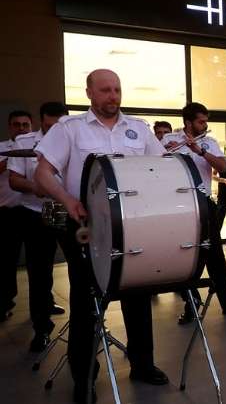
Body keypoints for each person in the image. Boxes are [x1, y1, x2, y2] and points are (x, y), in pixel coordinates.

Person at [34, 69, 170, 402]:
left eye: (117, 90)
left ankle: (142, 364)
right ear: (90, 93)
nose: (113, 96)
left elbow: (163, 167)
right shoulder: (70, 129)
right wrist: (68, 200)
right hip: (86, 225)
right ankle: (84, 377)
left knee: (138, 295)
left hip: (134, 224)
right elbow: (42, 173)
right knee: (86, 301)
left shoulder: (138, 129)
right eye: (106, 90)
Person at [161, 102, 226, 325]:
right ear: (188, 122)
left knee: (215, 256)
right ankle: (191, 304)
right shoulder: (168, 140)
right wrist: (166, 152)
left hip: (203, 203)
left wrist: (199, 151)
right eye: (201, 121)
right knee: (183, 257)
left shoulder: (208, 142)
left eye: (205, 121)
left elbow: (223, 168)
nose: (205, 125)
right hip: (177, 206)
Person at [7, 102, 68, 351]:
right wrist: (37, 187)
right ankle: (41, 328)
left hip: (63, 209)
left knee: (78, 266)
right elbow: (14, 180)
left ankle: (89, 323)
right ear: (41, 121)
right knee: (39, 271)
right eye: (49, 125)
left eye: (58, 126)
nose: (54, 130)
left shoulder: (72, 138)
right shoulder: (25, 142)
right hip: (35, 212)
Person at [0, 110, 32, 322]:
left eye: (25, 125)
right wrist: (11, 160)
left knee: (40, 261)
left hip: (33, 211)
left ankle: (45, 302)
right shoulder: (2, 148)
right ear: (10, 126)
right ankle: (4, 302)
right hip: (8, 212)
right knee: (6, 261)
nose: (21, 128)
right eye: (16, 125)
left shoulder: (38, 146)